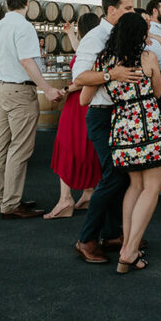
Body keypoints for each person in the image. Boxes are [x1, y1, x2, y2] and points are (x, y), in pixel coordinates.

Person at [80, 11, 161, 273]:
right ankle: (129, 250)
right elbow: (158, 92)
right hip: (148, 126)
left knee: (134, 186)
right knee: (151, 188)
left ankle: (127, 247)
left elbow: (85, 99)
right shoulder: (148, 57)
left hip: (121, 126)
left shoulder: (104, 62)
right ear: (141, 35)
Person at [72, 0, 141, 264]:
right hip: (102, 115)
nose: (132, 13)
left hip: (122, 115)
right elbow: (79, 77)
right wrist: (111, 74)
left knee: (122, 175)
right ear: (111, 10)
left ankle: (113, 233)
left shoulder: (122, 35)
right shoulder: (95, 37)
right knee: (113, 174)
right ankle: (86, 238)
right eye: (128, 9)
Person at [0, 0, 63, 219]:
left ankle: (1, 197)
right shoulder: (23, 26)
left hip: (0, 87)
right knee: (20, 148)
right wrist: (48, 89)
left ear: (6, 4)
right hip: (19, 90)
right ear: (27, 4)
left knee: (2, 145)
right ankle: (11, 203)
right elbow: (26, 61)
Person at [44, 13, 103, 219]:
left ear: (82, 29)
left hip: (77, 102)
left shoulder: (90, 46)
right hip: (91, 102)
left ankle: (65, 199)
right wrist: (69, 34)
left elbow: (80, 77)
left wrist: (65, 89)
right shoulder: (97, 45)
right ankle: (88, 193)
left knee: (67, 146)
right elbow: (82, 53)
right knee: (88, 147)